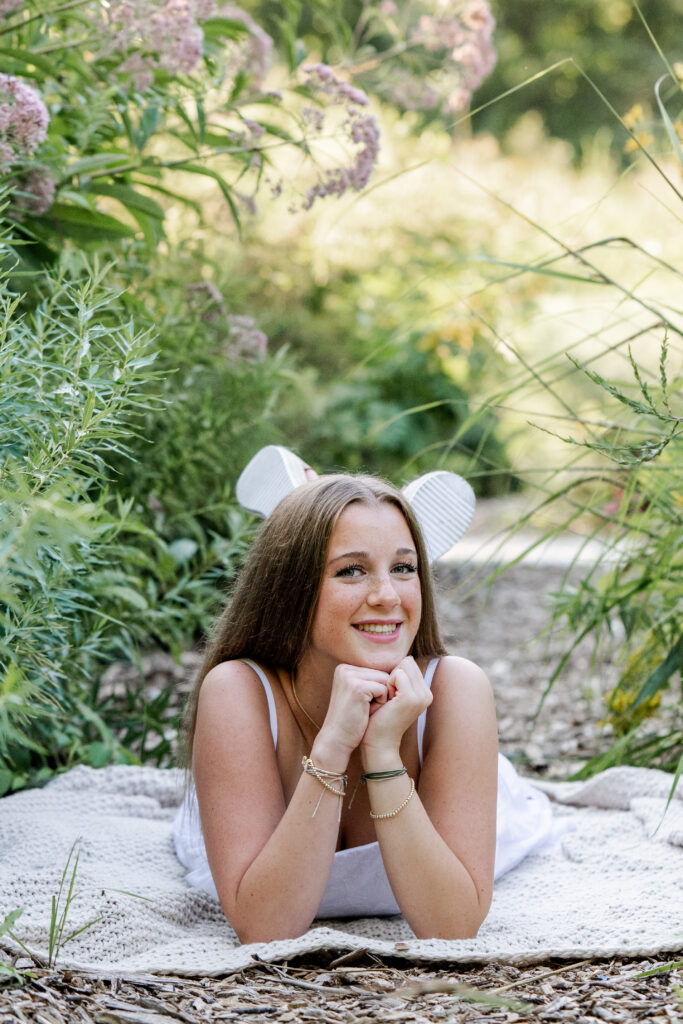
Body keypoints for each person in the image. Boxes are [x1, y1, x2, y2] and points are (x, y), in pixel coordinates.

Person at [172, 470, 559, 944]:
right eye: (351, 570)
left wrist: (382, 752)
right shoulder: (239, 692)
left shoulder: (456, 690)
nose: (387, 596)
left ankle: (314, 504)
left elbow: (453, 927)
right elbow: (264, 929)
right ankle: (305, 507)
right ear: (290, 588)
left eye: (404, 568)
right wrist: (334, 744)